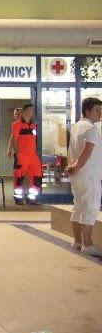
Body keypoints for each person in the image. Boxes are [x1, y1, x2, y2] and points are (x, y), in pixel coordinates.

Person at [65, 97, 102, 255]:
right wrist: (76, 166)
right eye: (97, 110)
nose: (100, 113)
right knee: (90, 208)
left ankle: (77, 241)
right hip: (89, 175)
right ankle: (87, 243)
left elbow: (70, 149)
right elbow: (87, 150)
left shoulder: (76, 126)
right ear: (87, 110)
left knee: (78, 206)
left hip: (78, 175)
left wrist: (71, 166)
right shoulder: (90, 128)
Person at [11, 103, 43, 204]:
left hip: (32, 155)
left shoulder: (34, 126)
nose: (32, 112)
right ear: (25, 111)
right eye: (31, 110)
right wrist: (18, 153)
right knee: (19, 177)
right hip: (22, 155)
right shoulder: (16, 125)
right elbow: (14, 140)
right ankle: (18, 198)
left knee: (37, 176)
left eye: (33, 110)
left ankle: (31, 198)